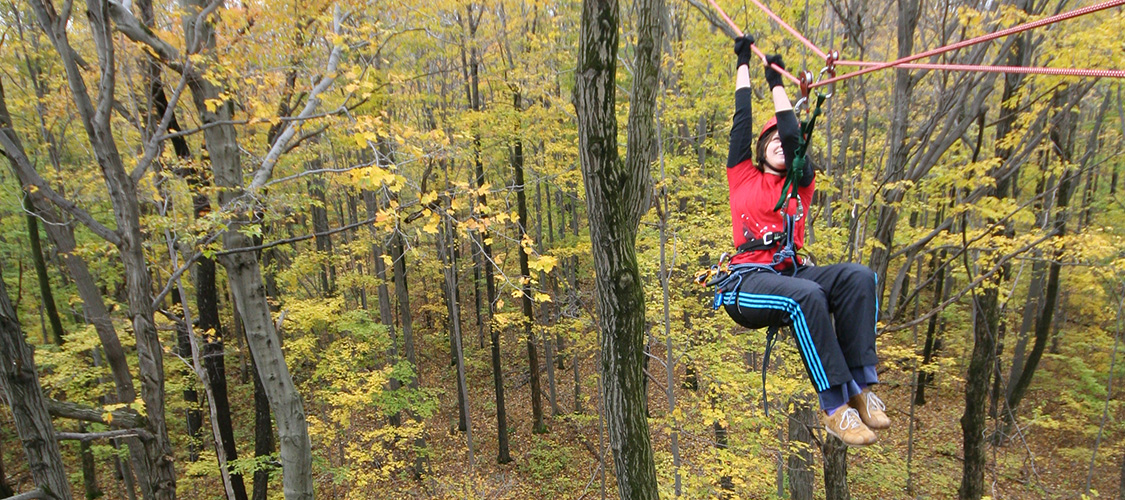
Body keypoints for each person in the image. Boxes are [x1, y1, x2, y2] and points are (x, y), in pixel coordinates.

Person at [717, 35, 889, 447]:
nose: (780, 142)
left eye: (784, 139)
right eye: (771, 139)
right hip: (747, 282)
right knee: (806, 296)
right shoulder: (742, 176)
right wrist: (744, 63)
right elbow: (742, 121)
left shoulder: (800, 182)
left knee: (859, 277)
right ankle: (835, 408)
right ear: (760, 150)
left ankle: (861, 389)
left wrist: (776, 84)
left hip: (791, 271)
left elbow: (795, 137)